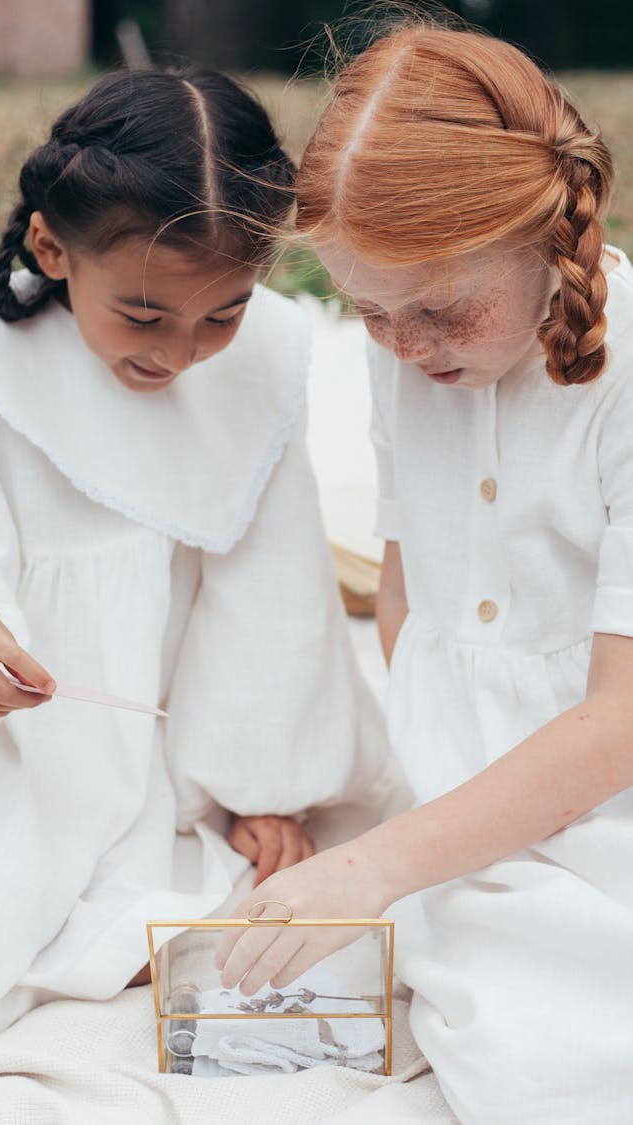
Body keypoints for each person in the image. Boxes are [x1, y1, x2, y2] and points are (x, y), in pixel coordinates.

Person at [0, 66, 402, 1064]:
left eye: (224, 315)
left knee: (292, 899)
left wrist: (267, 786)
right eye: (144, 316)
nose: (181, 355)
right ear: (51, 247)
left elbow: (275, 601)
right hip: (3, 747)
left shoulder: (259, 369)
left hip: (180, 753)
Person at [216, 22, 633, 1124]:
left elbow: (622, 717)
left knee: (552, 1052)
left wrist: (383, 864)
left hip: (604, 805)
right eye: (368, 311)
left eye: (440, 310)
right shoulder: (410, 359)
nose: (403, 347)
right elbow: (405, 598)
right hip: (460, 801)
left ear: (543, 234)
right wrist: (425, 814)